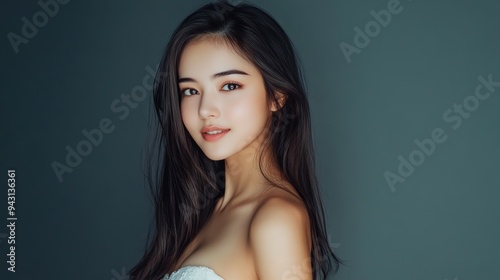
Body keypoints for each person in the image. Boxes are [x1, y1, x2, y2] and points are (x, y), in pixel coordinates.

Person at [129, 1, 342, 279]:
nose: (206, 109)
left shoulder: (275, 219)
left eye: (229, 86)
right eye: (190, 90)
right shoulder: (202, 211)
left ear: (277, 95)